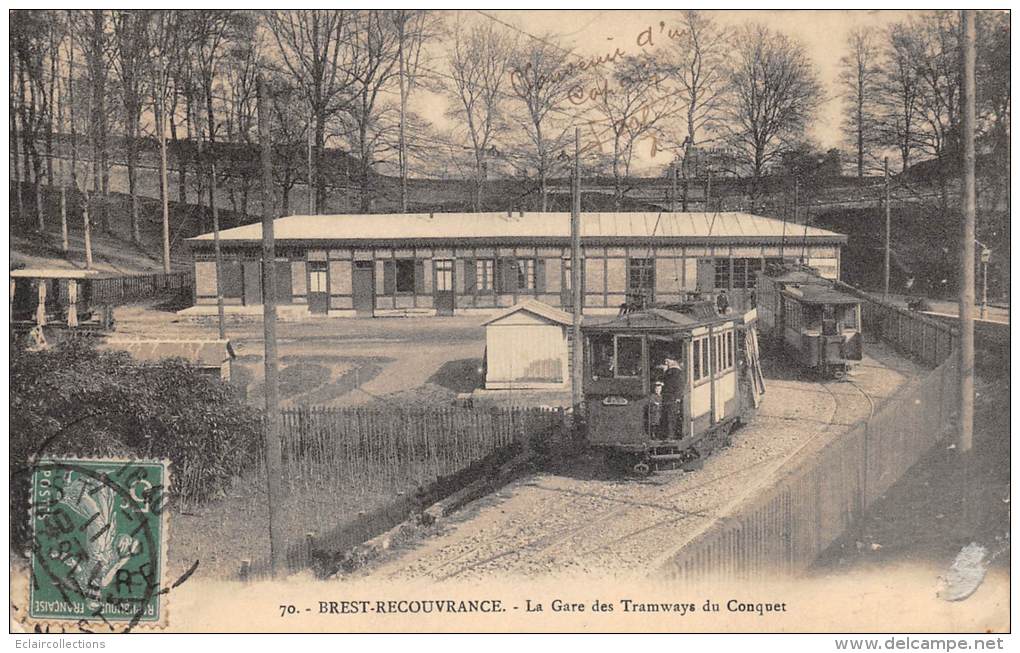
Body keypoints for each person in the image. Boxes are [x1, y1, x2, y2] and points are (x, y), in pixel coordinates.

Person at [658, 358, 684, 439]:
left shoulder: (674, 372)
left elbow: (678, 386)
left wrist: (678, 397)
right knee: (669, 416)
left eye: (667, 361)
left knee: (670, 416)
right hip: (670, 397)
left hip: (671, 397)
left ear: (674, 361)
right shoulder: (673, 372)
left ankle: (670, 435)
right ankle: (669, 435)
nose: (666, 363)